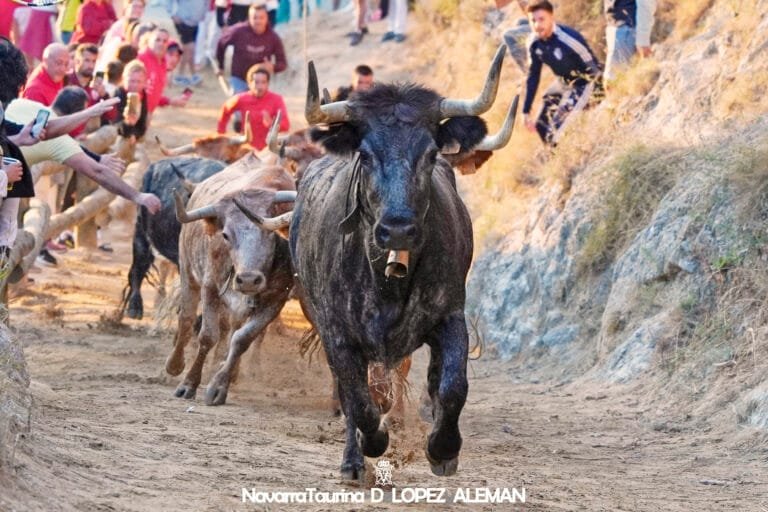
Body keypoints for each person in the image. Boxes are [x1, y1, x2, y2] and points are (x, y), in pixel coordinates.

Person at [522, 1, 602, 146]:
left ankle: (569, 162)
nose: (537, 25)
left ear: (551, 18)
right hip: (563, 82)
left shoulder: (569, 39)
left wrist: (599, 92)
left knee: (556, 133)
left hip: (584, 83)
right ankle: (553, 157)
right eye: (533, 20)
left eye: (541, 19)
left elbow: (593, 66)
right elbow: (533, 75)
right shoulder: (533, 42)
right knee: (541, 124)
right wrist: (526, 110)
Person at [216, 3, 287, 96]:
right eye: (254, 17)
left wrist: (273, 67)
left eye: (261, 18)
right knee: (238, 109)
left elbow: (283, 63)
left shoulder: (273, 37)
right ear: (249, 18)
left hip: (261, 83)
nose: (258, 21)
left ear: (266, 18)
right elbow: (221, 43)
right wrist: (220, 66)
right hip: (239, 79)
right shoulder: (238, 31)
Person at [216, 66, 289, 150]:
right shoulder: (241, 99)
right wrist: (220, 134)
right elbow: (225, 109)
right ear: (249, 83)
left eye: (263, 82)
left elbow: (286, 125)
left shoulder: (276, 99)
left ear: (268, 83)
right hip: (246, 148)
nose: (260, 86)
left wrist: (272, 124)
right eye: (256, 82)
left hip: (268, 150)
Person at [604, 0, 657, 82]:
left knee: (613, 84)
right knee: (614, 85)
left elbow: (647, 3)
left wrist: (642, 40)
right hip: (617, 29)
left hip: (626, 31)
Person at [166, 0, 207, 86]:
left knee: (191, 50)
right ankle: (179, 75)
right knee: (189, 48)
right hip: (183, 21)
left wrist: (203, 13)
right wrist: (172, 14)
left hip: (195, 23)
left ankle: (193, 74)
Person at [112, 59, 150, 141]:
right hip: (117, 135)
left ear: (144, 83)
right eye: (132, 81)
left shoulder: (143, 95)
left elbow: (142, 125)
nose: (135, 85)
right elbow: (114, 123)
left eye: (139, 81)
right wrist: (127, 123)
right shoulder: (118, 95)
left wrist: (134, 134)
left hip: (133, 136)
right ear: (124, 79)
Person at [502, 0, 532, 72]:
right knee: (519, 22)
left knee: (506, 34)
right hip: (540, 20)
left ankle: (524, 68)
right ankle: (526, 52)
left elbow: (532, 9)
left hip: (540, 25)